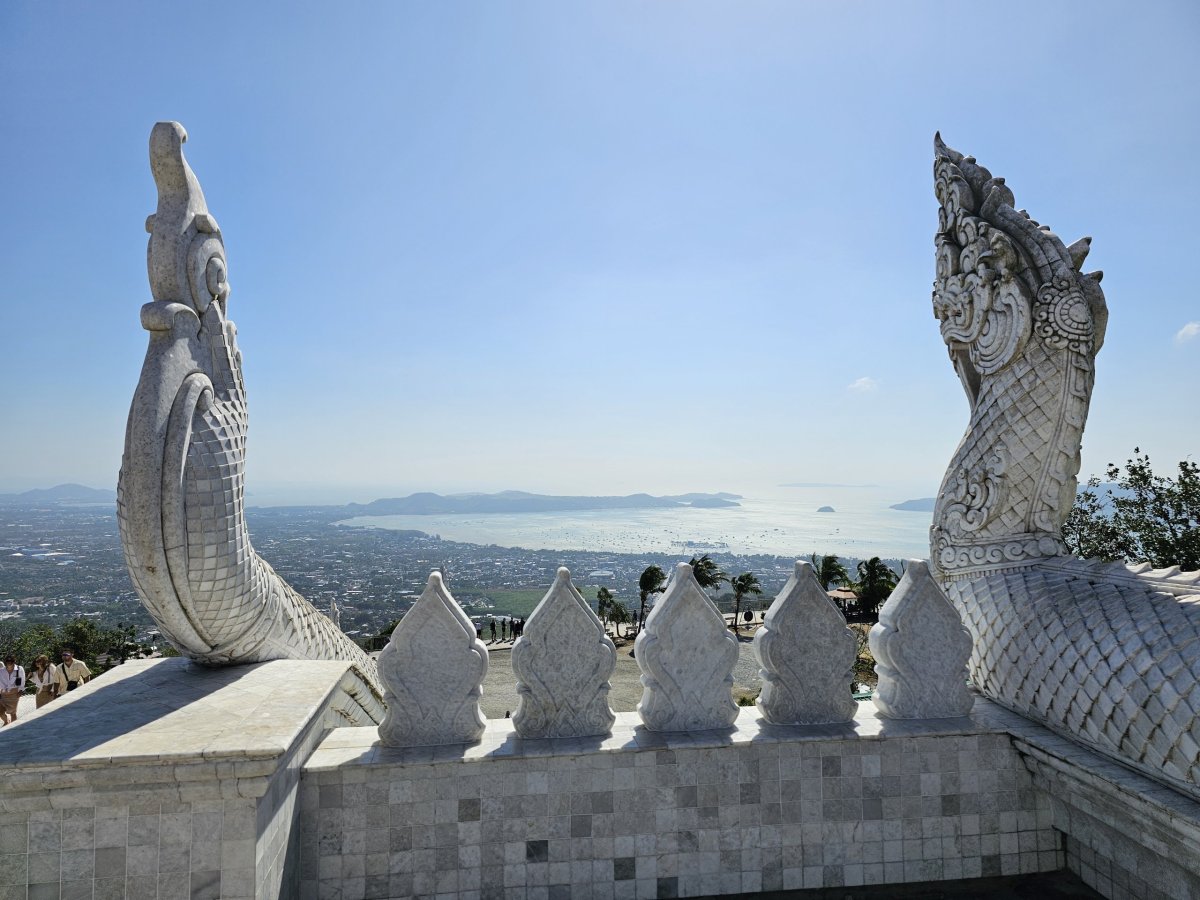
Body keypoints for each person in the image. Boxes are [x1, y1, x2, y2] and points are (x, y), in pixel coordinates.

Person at [0, 655, 25, 725]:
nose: (9, 662)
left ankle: (13, 727)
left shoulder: (19, 669)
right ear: (5, 662)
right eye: (7, 661)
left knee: (12, 713)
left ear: (14, 661)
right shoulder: (1, 671)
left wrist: (21, 691)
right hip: (3, 693)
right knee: (0, 711)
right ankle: (6, 721)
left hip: (14, 694)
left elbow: (22, 680)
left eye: (11, 661)